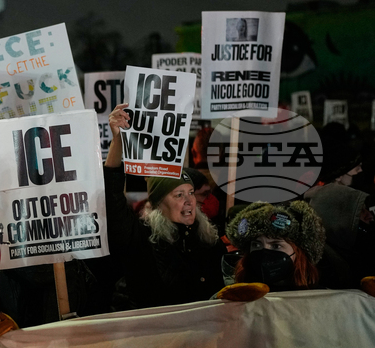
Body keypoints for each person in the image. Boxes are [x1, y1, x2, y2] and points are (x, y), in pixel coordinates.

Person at [105, 103, 225, 308]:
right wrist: (118, 140)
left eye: (191, 193)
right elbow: (112, 197)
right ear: (159, 203)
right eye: (179, 195)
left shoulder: (208, 240)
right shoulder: (140, 240)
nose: (189, 201)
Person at [224, 201, 329, 291]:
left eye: (276, 245)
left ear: (299, 252)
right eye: (256, 244)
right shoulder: (233, 298)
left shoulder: (322, 301)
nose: (264, 252)